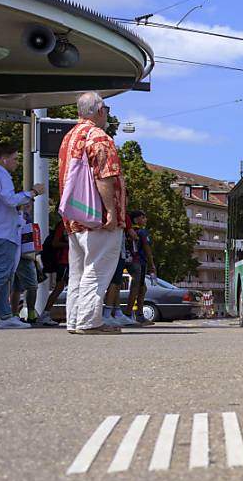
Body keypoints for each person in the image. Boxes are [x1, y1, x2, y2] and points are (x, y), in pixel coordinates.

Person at [59, 92, 127, 334]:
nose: (106, 113)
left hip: (75, 216)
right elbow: (105, 175)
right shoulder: (98, 136)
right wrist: (110, 211)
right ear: (99, 110)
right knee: (97, 270)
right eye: (106, 109)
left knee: (77, 273)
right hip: (97, 217)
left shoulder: (69, 138)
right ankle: (89, 322)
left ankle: (74, 320)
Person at [0, 144, 45, 329]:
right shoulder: (2, 175)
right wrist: (33, 192)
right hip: (4, 234)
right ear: (4, 159)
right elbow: (10, 199)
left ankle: (6, 316)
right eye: (15, 158)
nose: (17, 162)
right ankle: (6, 316)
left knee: (3, 276)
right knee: (1, 275)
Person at [124, 210, 156, 326]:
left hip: (128, 260)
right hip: (138, 262)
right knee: (136, 288)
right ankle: (129, 314)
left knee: (142, 289)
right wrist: (152, 264)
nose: (145, 220)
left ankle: (140, 314)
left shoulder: (128, 230)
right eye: (143, 217)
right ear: (137, 219)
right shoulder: (142, 232)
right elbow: (147, 249)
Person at [12, 205, 41, 324]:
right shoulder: (24, 217)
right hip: (24, 255)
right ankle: (31, 313)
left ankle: (13, 314)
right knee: (32, 286)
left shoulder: (11, 216)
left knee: (16, 287)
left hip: (13, 254)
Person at [36, 218, 68, 326]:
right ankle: (45, 313)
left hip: (70, 260)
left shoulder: (72, 222)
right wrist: (70, 244)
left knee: (64, 287)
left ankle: (46, 313)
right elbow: (55, 243)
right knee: (59, 287)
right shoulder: (63, 224)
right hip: (64, 261)